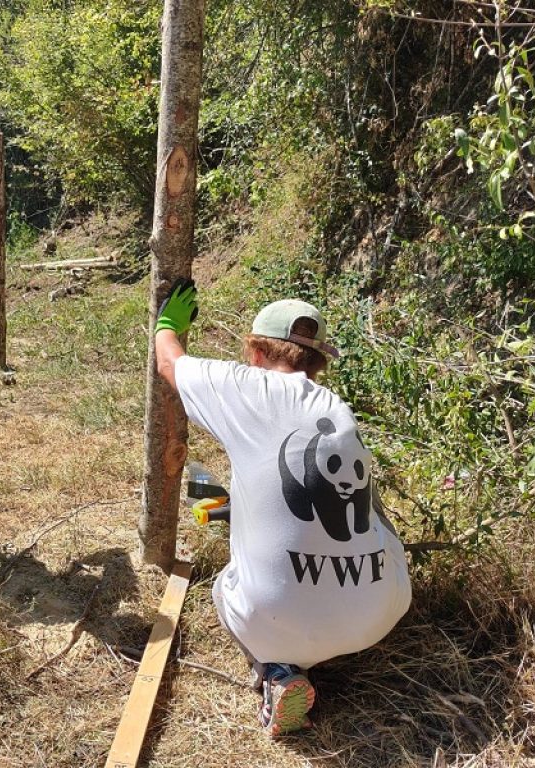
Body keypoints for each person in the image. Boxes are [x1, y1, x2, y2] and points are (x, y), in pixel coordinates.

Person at [154, 279, 411, 737]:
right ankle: (322, 632)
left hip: (278, 618)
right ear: (317, 364)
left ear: (255, 352)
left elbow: (169, 364)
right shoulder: (337, 410)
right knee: (371, 509)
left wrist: (168, 324)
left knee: (226, 589)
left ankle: (278, 672)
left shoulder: (247, 386)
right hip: (380, 614)